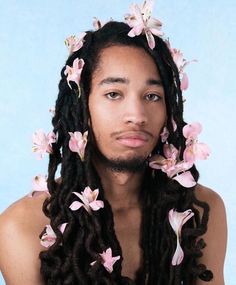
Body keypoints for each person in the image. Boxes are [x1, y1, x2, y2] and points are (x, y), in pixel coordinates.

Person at [0, 1, 227, 284]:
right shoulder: (22, 227)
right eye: (113, 94)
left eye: (152, 96)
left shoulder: (201, 210)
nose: (137, 115)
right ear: (81, 106)